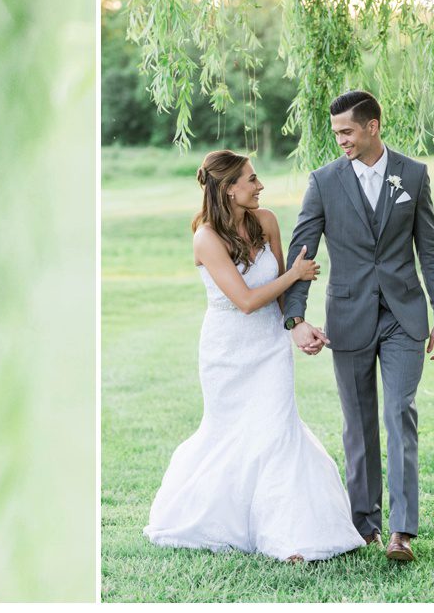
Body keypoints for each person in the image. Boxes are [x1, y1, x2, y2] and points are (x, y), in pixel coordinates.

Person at [143, 148, 361, 565]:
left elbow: (276, 295)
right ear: (227, 189)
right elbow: (244, 300)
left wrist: (298, 325)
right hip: (228, 351)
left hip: (269, 347)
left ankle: (288, 534)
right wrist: (294, 275)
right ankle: (220, 520)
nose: (260, 186)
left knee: (278, 431)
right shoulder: (206, 237)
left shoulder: (267, 222)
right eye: (252, 179)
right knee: (231, 433)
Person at [274, 90, 434, 563]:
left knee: (399, 413)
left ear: (373, 126)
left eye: (347, 132)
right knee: (358, 425)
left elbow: (430, 251)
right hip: (349, 315)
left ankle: (402, 531)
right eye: (336, 133)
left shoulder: (413, 175)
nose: (340, 141)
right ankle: (364, 523)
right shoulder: (323, 181)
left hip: (404, 316)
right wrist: (295, 318)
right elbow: (302, 252)